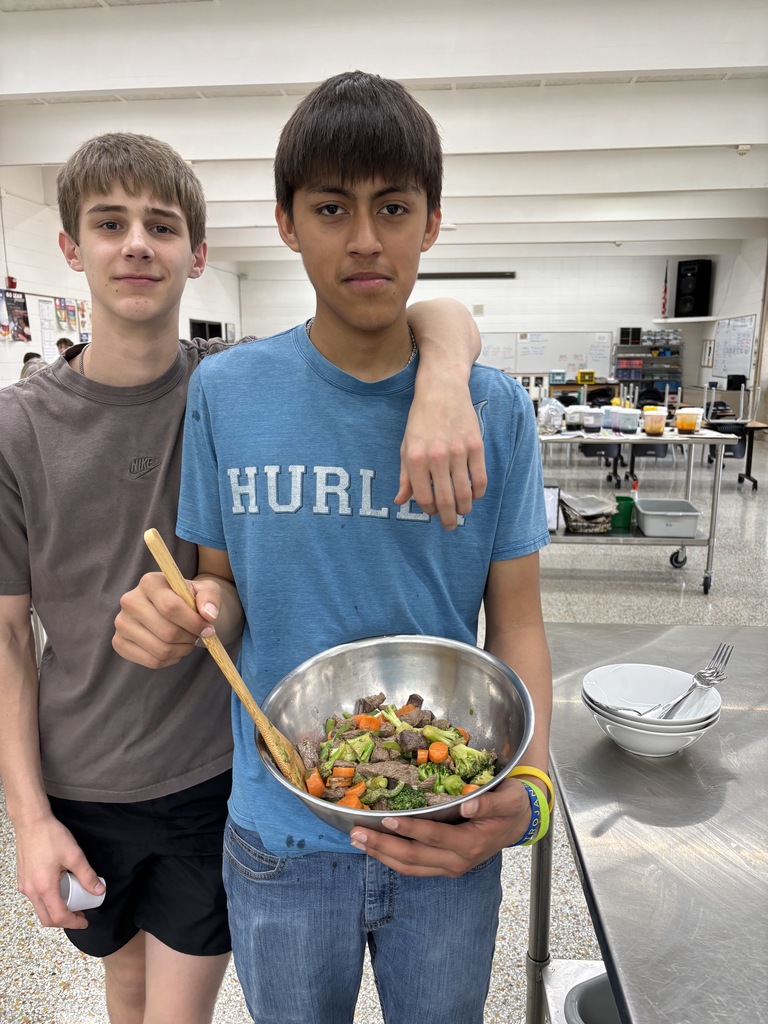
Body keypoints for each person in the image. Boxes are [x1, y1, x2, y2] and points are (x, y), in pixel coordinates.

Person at [0, 130, 485, 1024]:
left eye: (161, 225)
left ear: (200, 254)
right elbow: (6, 641)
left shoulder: (234, 387)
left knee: (179, 999)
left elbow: (413, 312)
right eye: (109, 224)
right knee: (124, 981)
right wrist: (29, 817)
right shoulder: (17, 429)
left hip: (211, 769)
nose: (137, 244)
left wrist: (448, 376)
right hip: (81, 771)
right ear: (68, 247)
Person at [115, 73, 552, 1024]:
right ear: (286, 222)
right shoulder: (229, 393)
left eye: (393, 207)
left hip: (447, 837)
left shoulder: (495, 410)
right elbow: (222, 586)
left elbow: (517, 620)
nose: (364, 238)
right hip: (279, 837)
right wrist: (189, 612)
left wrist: (531, 793)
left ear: (431, 222)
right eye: (331, 207)